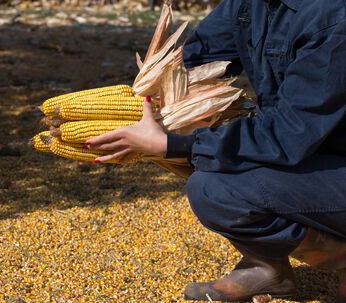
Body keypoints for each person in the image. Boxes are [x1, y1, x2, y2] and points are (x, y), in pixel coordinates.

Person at [85, 0, 346, 301]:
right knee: (214, 183)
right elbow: (196, 60)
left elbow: (289, 135)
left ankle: (340, 260)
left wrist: (172, 144)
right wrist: (149, 103)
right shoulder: (251, 4)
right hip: (316, 155)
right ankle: (268, 268)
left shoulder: (333, 17)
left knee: (215, 176)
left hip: (326, 158)